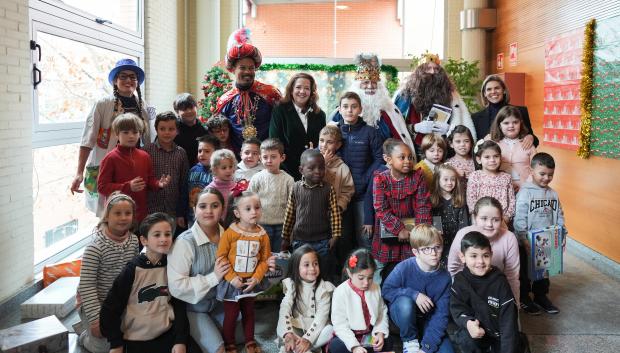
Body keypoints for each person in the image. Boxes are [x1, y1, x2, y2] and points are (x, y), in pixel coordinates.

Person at [100, 212, 195, 353]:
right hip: (136, 339)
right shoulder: (132, 270)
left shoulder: (173, 266)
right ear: (144, 240)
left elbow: (179, 305)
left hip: (168, 334)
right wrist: (115, 344)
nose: (163, 239)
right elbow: (110, 309)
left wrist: (180, 340)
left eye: (167, 234)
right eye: (157, 235)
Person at [71, 58, 154, 216]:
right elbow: (87, 140)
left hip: (133, 166)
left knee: (131, 211)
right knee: (108, 213)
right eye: (123, 76)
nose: (128, 80)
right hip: (108, 166)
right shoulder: (103, 104)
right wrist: (79, 172)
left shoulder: (142, 105)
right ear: (115, 80)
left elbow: (147, 139)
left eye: (133, 77)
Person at [167, 188, 232, 353]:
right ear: (194, 210)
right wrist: (214, 277)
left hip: (220, 303)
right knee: (220, 349)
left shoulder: (230, 236)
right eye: (203, 206)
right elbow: (176, 287)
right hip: (193, 309)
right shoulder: (184, 243)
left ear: (222, 209)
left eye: (215, 206)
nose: (209, 211)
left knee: (243, 335)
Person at [77, 193, 140, 353]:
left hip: (119, 302)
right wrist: (95, 320)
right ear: (107, 216)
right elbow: (87, 286)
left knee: (133, 339)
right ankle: (84, 335)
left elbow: (134, 276)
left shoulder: (133, 241)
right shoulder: (94, 248)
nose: (123, 218)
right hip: (97, 303)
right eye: (117, 213)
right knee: (104, 349)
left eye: (128, 213)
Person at [382, 225, 455, 353]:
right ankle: (409, 341)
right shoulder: (404, 267)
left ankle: (422, 341)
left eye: (437, 247)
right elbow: (386, 290)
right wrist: (414, 295)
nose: (433, 253)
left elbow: (441, 315)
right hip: (403, 318)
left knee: (448, 351)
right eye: (426, 249)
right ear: (416, 252)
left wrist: (427, 348)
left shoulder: (445, 278)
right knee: (406, 303)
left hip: (427, 321)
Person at [216, 191, 271, 353]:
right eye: (248, 209)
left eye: (257, 207)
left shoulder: (263, 235)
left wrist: (256, 278)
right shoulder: (230, 233)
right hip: (233, 283)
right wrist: (232, 278)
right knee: (231, 315)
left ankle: (250, 340)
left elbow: (265, 260)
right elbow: (221, 257)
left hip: (250, 283)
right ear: (237, 213)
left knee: (249, 313)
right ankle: (229, 343)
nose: (254, 212)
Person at [372, 139, 432, 283]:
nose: (407, 161)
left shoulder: (418, 177)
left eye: (410, 157)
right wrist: (398, 229)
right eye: (402, 157)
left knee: (411, 267)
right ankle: (376, 298)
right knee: (379, 269)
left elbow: (423, 205)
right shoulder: (381, 180)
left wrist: (420, 230)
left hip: (413, 230)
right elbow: (381, 208)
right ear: (388, 159)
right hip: (389, 228)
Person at [394, 53, 476, 156]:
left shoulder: (451, 96)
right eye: (428, 68)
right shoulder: (405, 95)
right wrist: (415, 128)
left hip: (443, 151)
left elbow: (461, 126)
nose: (432, 72)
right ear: (420, 71)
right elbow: (395, 126)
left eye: (436, 69)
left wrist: (450, 129)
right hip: (413, 152)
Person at [450, 231, 519, 353]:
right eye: (473, 256)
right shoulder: (460, 281)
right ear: (462, 257)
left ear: (491, 255)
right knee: (464, 340)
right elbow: (457, 309)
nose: (481, 261)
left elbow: (509, 324)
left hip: (499, 337)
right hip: (476, 334)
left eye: (485, 255)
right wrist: (468, 323)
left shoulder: (500, 282)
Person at [514, 152, 566, 315]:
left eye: (550, 175)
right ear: (531, 171)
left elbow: (559, 214)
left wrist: (561, 233)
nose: (546, 178)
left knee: (543, 272)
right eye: (542, 174)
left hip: (546, 240)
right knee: (525, 272)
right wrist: (523, 238)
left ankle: (540, 296)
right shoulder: (525, 192)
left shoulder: (553, 193)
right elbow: (520, 218)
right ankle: (524, 297)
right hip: (527, 241)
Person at [216, 28, 281, 154]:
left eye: (251, 68)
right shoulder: (224, 101)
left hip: (267, 159)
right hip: (235, 162)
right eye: (243, 68)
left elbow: (282, 127)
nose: (247, 72)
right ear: (233, 69)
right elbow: (220, 135)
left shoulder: (271, 94)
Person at [331, 53, 414, 153]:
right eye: (365, 82)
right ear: (358, 86)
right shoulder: (342, 112)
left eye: (374, 82)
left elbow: (399, 141)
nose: (370, 86)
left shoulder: (390, 110)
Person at [97, 113, 170, 223]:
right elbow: (102, 187)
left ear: (140, 134)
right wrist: (127, 186)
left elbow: (149, 180)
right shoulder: (110, 158)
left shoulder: (144, 156)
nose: (131, 136)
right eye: (125, 132)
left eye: (135, 132)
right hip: (118, 216)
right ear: (117, 134)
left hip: (141, 215)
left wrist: (158, 184)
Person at [447, 197, 520, 305]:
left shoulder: (509, 238)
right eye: (484, 218)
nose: (489, 224)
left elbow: (512, 276)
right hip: (469, 289)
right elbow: (454, 268)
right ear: (475, 217)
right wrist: (462, 294)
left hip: (497, 291)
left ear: (502, 219)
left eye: (496, 220)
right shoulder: (462, 235)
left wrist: (515, 305)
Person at [337, 92, 384, 250]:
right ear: (339, 110)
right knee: (342, 238)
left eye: (354, 106)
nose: (349, 110)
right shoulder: (334, 132)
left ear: (360, 109)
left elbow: (379, 158)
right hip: (340, 195)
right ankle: (345, 273)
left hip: (362, 195)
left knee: (365, 237)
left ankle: (367, 272)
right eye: (345, 106)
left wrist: (365, 178)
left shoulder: (370, 132)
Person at [281, 150, 342, 270]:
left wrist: (335, 235)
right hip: (300, 241)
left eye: (321, 168)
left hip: (322, 241)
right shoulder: (295, 188)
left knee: (322, 269)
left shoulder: (328, 189)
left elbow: (335, 213)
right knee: (301, 270)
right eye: (311, 168)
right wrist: (285, 237)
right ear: (301, 170)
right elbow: (290, 214)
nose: (318, 172)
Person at [329, 249, 392, 353]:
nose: (366, 283)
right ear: (349, 273)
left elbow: (382, 313)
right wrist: (354, 347)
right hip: (349, 336)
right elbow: (339, 324)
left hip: (369, 334)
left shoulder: (375, 288)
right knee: (336, 346)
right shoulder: (340, 292)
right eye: (361, 278)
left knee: (387, 341)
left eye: (370, 277)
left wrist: (380, 333)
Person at [277, 245, 335, 353]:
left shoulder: (324, 288)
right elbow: (284, 309)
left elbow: (321, 317)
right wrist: (288, 334)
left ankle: (301, 348)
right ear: (296, 267)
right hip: (296, 328)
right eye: (306, 265)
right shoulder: (292, 285)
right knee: (287, 332)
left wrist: (308, 339)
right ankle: (294, 344)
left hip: (316, 331)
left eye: (315, 264)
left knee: (330, 330)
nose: (312, 268)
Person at [270, 72, 326, 180]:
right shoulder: (280, 111)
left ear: (311, 92)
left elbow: (322, 142)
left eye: (307, 88)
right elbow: (275, 142)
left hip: (313, 171)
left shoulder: (320, 115)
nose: (302, 91)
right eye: (298, 87)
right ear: (291, 90)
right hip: (286, 170)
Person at [145, 111, 190, 232]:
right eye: (162, 129)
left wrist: (181, 211)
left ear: (177, 131)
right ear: (156, 129)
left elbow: (183, 183)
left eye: (171, 129)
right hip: (150, 209)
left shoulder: (181, 153)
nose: (166, 132)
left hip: (173, 210)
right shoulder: (147, 151)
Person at [247, 138, 294, 252]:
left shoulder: (288, 180)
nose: (269, 160)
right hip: (261, 225)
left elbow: (292, 206)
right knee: (262, 255)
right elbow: (248, 201)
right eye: (265, 157)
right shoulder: (256, 178)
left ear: (282, 158)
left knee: (278, 259)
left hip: (282, 227)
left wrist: (289, 233)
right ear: (260, 158)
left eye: (273, 157)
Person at [318, 125, 355, 269]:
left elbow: (348, 190)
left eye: (329, 142)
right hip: (316, 215)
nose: (324, 145)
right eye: (321, 140)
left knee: (339, 244)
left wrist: (339, 206)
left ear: (338, 145)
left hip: (336, 215)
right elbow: (308, 181)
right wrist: (323, 164)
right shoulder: (311, 161)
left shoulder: (342, 167)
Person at [472, 75, 538, 149]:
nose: (493, 92)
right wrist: (483, 141)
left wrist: (531, 137)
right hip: (490, 159)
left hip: (515, 158)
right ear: (484, 93)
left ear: (503, 90)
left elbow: (535, 141)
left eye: (497, 88)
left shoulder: (521, 111)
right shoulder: (476, 118)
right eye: (489, 89)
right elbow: (474, 147)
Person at [490, 106, 537, 192]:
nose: (511, 126)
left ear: (521, 123)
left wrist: (527, 186)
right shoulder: (493, 144)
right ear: (499, 125)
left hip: (525, 190)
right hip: (500, 191)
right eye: (506, 123)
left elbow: (536, 169)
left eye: (515, 122)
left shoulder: (528, 144)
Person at [467, 140, 515, 222]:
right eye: (487, 157)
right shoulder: (475, 176)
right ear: (479, 159)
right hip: (480, 221)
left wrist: (505, 219)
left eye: (496, 156)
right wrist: (478, 221)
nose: (492, 160)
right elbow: (471, 202)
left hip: (502, 220)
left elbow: (512, 202)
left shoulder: (506, 177)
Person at [430, 164, 469, 263]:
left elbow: (463, 225)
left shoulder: (459, 200)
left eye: (453, 179)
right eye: (446, 179)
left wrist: (459, 242)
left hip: (457, 241)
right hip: (439, 241)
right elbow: (435, 224)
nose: (450, 183)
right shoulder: (433, 201)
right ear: (438, 180)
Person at [187, 135, 221, 225]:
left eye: (207, 151)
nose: (202, 154)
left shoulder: (218, 173)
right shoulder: (193, 170)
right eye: (200, 151)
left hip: (210, 217)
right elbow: (185, 192)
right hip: (192, 216)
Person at [174, 92, 208, 166]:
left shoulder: (205, 130)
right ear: (177, 111)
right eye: (184, 109)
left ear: (196, 107)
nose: (189, 111)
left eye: (191, 107)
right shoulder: (172, 129)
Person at [206, 149, 239, 223]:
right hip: (215, 225)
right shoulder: (210, 189)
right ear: (215, 169)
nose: (228, 170)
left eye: (230, 167)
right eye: (224, 168)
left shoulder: (237, 187)